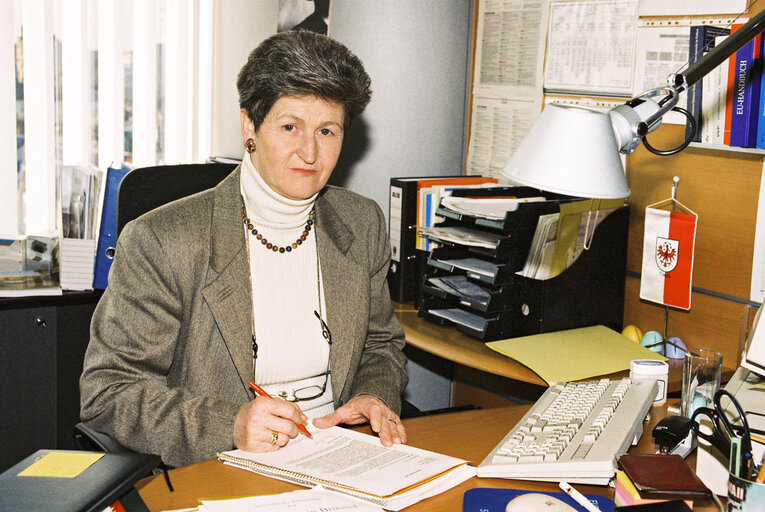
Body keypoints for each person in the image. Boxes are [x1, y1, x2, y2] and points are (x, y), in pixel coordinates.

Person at [80, 30, 409, 468]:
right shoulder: (162, 240)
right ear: (249, 126)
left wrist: (372, 395)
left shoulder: (361, 223)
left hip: (338, 460)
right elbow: (110, 393)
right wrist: (229, 426)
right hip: (219, 468)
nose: (309, 152)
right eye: (290, 127)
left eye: (327, 131)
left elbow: (381, 344)